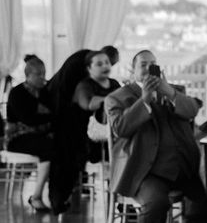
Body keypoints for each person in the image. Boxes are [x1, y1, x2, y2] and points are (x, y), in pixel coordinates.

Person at [105, 50, 207, 223]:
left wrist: (169, 92)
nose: (149, 68)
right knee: (156, 202)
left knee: (206, 199)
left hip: (182, 168)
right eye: (143, 64)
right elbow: (120, 128)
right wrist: (145, 100)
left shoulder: (174, 92)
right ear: (132, 71)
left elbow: (191, 111)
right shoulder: (118, 97)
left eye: (153, 64)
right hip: (146, 171)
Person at [48, 44, 120, 214]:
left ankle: (121, 203)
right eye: (103, 64)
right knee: (66, 160)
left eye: (109, 65)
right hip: (66, 114)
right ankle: (59, 200)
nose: (107, 68)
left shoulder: (106, 80)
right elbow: (84, 101)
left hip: (84, 122)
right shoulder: (83, 79)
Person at [5, 55, 54, 212]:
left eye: (44, 73)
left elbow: (56, 114)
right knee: (49, 148)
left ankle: (62, 193)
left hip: (41, 135)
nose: (42, 77)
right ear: (28, 75)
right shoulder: (17, 93)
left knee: (63, 143)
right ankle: (37, 196)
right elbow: (29, 119)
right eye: (38, 74)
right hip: (17, 138)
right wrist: (49, 116)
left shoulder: (46, 92)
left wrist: (48, 116)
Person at [73, 50, 121, 163]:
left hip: (112, 132)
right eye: (99, 64)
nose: (105, 66)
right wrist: (112, 99)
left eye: (107, 62)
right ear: (89, 68)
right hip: (89, 137)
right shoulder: (84, 86)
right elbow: (89, 105)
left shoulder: (114, 83)